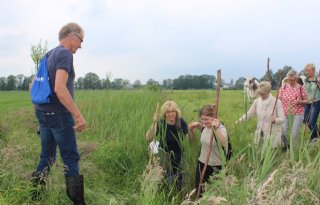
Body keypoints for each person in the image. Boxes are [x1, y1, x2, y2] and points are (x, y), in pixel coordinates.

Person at [31, 22, 86, 204]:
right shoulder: (64, 54)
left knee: (47, 155)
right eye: (80, 40)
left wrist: (41, 117)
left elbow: (33, 87)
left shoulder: (48, 55)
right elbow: (60, 89)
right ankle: (78, 201)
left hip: (44, 113)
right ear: (72, 37)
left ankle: (35, 195)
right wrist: (78, 116)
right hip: (59, 115)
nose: (80, 45)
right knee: (70, 157)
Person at [146, 101, 188, 190]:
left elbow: (189, 139)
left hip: (179, 155)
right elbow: (149, 137)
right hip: (165, 155)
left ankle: (178, 195)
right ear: (164, 114)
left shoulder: (181, 122)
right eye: (168, 112)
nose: (170, 114)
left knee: (179, 179)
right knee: (167, 178)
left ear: (176, 112)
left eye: (173, 111)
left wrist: (191, 130)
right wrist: (154, 123)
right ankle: (168, 193)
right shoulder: (160, 123)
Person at [188, 104, 228, 196]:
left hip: (217, 166)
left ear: (213, 118)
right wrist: (195, 126)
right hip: (202, 164)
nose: (204, 122)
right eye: (202, 119)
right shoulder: (204, 127)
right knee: (200, 191)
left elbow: (223, 142)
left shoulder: (220, 128)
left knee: (216, 194)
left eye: (206, 119)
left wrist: (215, 128)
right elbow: (203, 130)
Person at [235, 81, 285, 148]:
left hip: (272, 133)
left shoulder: (277, 102)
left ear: (269, 92)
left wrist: (275, 120)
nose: (261, 96)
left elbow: (283, 118)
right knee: (258, 151)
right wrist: (240, 119)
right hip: (260, 131)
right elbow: (249, 113)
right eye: (260, 94)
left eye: (263, 94)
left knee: (269, 151)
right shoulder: (257, 101)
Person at [279, 69, 308, 149]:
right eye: (288, 80)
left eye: (292, 80)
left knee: (294, 133)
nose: (290, 82)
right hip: (285, 113)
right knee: (283, 131)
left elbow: (306, 100)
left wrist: (299, 101)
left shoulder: (301, 88)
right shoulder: (284, 87)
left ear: (296, 79)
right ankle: (286, 146)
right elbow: (279, 98)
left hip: (297, 113)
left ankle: (294, 150)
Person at [303, 63, 320, 143]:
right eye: (306, 70)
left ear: (313, 70)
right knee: (305, 120)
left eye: (309, 70)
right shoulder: (305, 79)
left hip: (316, 102)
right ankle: (317, 132)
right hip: (308, 102)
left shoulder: (317, 79)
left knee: (312, 122)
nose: (307, 72)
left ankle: (314, 138)